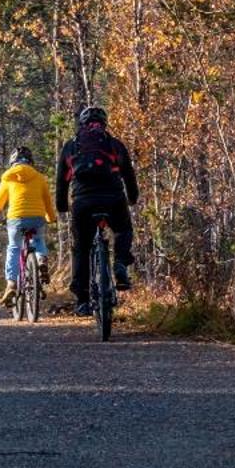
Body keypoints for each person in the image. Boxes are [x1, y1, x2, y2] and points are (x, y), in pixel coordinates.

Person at [55, 106, 138, 314]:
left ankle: (82, 300)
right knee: (123, 230)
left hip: (83, 202)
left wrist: (62, 206)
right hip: (113, 198)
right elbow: (128, 173)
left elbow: (61, 181)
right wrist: (132, 198)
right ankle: (120, 263)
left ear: (81, 125)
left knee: (81, 248)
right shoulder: (114, 144)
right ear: (104, 124)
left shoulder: (71, 147)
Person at [0, 145, 58, 307]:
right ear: (30, 161)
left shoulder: (8, 178)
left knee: (14, 248)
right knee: (38, 241)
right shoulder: (39, 177)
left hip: (16, 219)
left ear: (12, 162)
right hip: (37, 218)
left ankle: (11, 283)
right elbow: (47, 202)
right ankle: (41, 260)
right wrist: (51, 218)